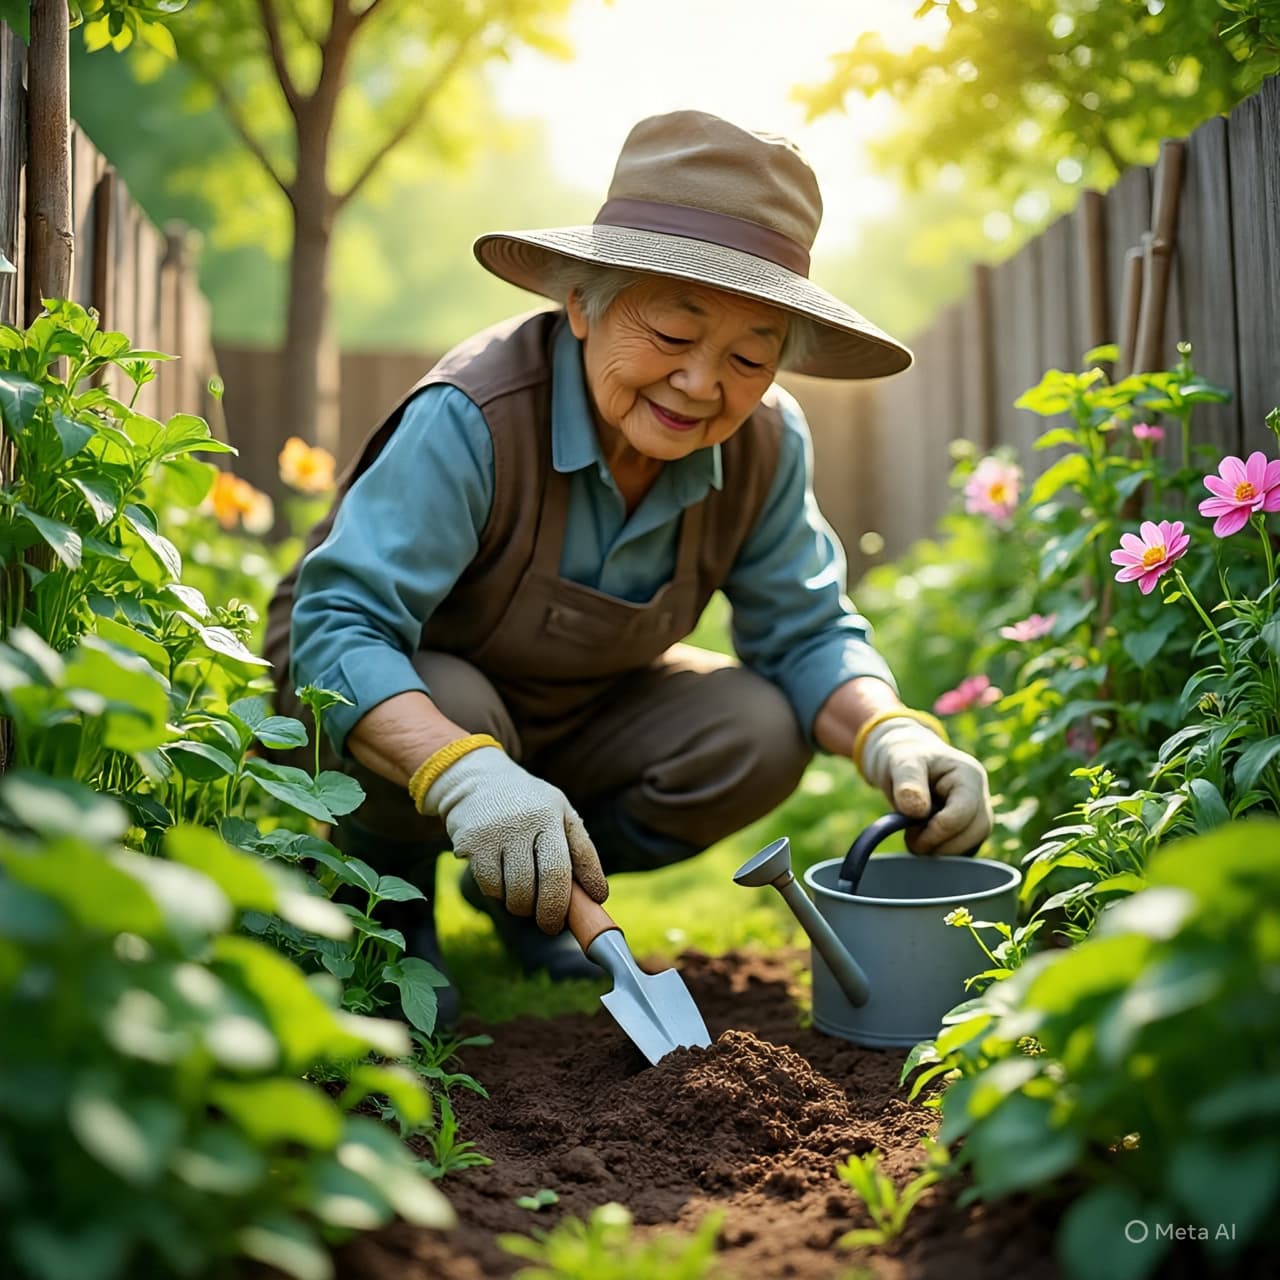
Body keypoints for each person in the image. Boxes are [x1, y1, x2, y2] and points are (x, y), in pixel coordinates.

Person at [263, 109, 993, 1023]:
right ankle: (384, 894)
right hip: (407, 700)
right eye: (672, 335)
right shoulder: (474, 416)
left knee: (757, 730)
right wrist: (466, 774)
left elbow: (807, 631)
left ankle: (526, 893)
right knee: (457, 703)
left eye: (747, 356)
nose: (700, 384)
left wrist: (897, 735)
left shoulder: (766, 446)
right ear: (582, 303)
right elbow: (338, 629)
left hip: (578, 717)